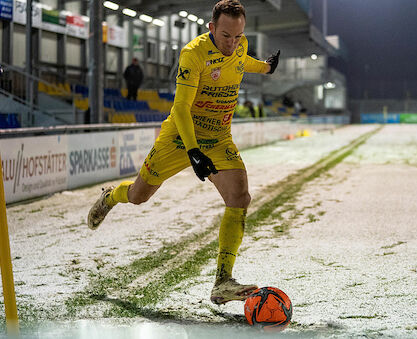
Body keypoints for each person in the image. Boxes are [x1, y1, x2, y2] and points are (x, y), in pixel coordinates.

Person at [87, 0, 280, 305]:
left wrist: (267, 67)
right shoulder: (194, 54)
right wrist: (192, 151)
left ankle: (222, 281)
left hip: (218, 138)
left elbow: (245, 62)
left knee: (240, 197)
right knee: (139, 195)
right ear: (211, 28)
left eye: (238, 37)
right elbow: (180, 108)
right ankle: (111, 197)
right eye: (226, 36)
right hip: (180, 137)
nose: (232, 43)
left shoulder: (239, 47)